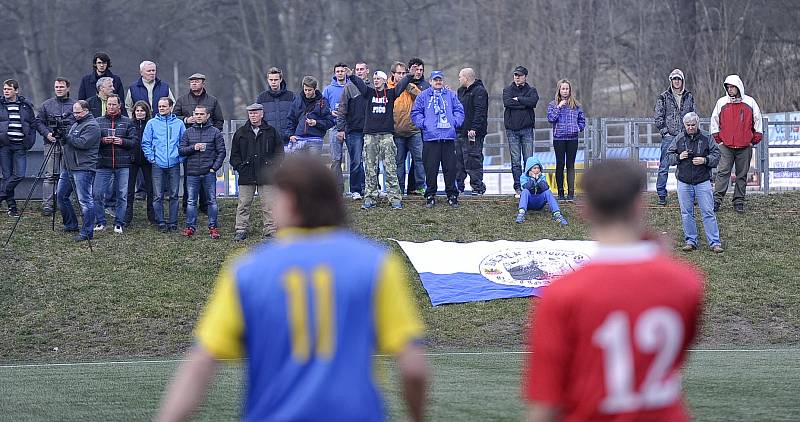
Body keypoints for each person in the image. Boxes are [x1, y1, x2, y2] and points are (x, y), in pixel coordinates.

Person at [157, 155, 428, 422]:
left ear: (290, 201)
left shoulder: (247, 270)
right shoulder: (376, 263)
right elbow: (413, 367)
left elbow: (201, 364)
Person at [522, 160, 704, 422]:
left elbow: (546, 406)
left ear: (586, 210)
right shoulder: (686, 282)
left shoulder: (561, 294)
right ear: (639, 204)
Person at [348, 69, 411, 210]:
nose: (375, 80)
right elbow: (360, 85)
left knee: (390, 168)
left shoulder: (390, 93)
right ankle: (370, 198)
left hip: (387, 135)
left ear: (384, 80)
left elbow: (400, 86)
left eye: (378, 78)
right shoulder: (369, 93)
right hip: (370, 135)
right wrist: (351, 75)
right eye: (374, 78)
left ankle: (394, 198)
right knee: (370, 168)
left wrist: (410, 75)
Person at [667, 112, 723, 253]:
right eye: (688, 125)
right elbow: (669, 157)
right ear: (684, 125)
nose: (691, 127)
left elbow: (717, 155)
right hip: (684, 181)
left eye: (693, 125)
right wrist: (679, 156)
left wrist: (705, 160)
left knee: (708, 212)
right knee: (686, 213)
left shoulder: (707, 137)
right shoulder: (679, 138)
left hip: (703, 180)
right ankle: (691, 241)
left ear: (698, 124)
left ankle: (715, 243)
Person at [229, 103, 284, 241]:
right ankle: (241, 229)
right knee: (243, 203)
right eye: (250, 113)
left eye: (255, 113)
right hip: (246, 174)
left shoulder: (271, 131)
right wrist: (240, 167)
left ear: (262, 114)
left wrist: (272, 167)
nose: (253, 115)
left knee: (268, 204)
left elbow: (279, 153)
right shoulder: (241, 132)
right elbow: (234, 155)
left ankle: (270, 230)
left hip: (266, 174)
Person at [411, 70, 464, 209]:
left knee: (450, 168)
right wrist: (425, 124)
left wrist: (455, 122)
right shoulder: (423, 96)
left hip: (448, 138)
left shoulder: (450, 95)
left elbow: (459, 110)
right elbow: (416, 113)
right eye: (435, 80)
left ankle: (452, 195)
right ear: (430, 81)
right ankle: (430, 195)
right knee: (430, 169)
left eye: (440, 79)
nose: (438, 82)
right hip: (430, 138)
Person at [173, 73, 225, 215]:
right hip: (189, 141)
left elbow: (219, 120)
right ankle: (187, 205)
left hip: (208, 143)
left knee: (207, 175)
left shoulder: (212, 101)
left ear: (203, 83)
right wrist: (185, 120)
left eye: (197, 81)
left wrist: (214, 134)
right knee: (189, 175)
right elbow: (174, 116)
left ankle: (206, 205)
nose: (194, 84)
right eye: (192, 82)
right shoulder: (182, 100)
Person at [710, 74, 763, 214]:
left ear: (738, 86)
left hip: (744, 147)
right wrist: (719, 140)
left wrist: (753, 140)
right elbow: (714, 121)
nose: (730, 89)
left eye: (732, 86)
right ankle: (716, 201)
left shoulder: (750, 102)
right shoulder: (721, 102)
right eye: (728, 87)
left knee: (742, 175)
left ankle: (739, 202)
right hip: (726, 146)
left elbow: (758, 121)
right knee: (722, 173)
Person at [178, 105, 226, 239]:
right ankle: (190, 227)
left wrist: (213, 168)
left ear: (208, 116)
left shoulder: (215, 132)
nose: (198, 116)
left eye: (201, 114)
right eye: (197, 114)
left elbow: (221, 152)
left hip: (208, 173)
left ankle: (213, 227)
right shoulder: (188, 132)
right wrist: (193, 147)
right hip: (192, 172)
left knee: (212, 201)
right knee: (191, 201)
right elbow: (181, 150)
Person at [92, 94, 137, 234]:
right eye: (109, 104)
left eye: (113, 104)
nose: (111, 107)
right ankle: (100, 221)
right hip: (103, 164)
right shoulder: (98, 121)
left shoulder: (127, 122)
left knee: (122, 195)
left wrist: (122, 142)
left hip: (123, 164)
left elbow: (134, 142)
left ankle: (119, 223)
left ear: (120, 105)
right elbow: (92, 141)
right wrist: (103, 141)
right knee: (97, 194)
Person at [57, 100, 100, 241]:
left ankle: (87, 232)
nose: (75, 115)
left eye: (78, 112)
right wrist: (62, 136)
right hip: (68, 166)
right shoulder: (76, 123)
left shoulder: (92, 126)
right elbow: (67, 142)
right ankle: (71, 224)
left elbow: (83, 143)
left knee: (85, 201)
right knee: (61, 196)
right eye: (74, 112)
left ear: (86, 111)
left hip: (83, 167)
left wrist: (67, 137)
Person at [141, 97, 186, 232]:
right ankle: (160, 222)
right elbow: (146, 143)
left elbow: (184, 142)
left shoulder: (178, 124)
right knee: (158, 195)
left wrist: (180, 158)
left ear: (171, 107)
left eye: (164, 106)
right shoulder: (151, 123)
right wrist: (151, 158)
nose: (161, 108)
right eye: (159, 106)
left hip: (174, 163)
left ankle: (173, 222)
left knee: (174, 195)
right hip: (157, 164)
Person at [654, 68, 696, 206]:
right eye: (674, 79)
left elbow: (693, 115)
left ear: (682, 80)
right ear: (671, 81)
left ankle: (689, 195)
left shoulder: (689, 96)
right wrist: (665, 132)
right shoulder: (663, 97)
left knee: (687, 165)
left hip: (685, 136)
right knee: (664, 166)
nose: (676, 81)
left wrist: (690, 132)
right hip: (669, 137)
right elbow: (658, 117)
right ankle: (661, 194)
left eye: (679, 79)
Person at [0, 79, 41, 217]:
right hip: (4, 145)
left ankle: (1, 195)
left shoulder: (25, 106)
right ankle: (12, 207)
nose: (6, 91)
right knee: (7, 177)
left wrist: (30, 140)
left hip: (20, 146)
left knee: (20, 175)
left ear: (16, 90)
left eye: (9, 89)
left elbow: (33, 124)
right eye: (4, 89)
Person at [36, 77, 76, 216]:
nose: (59, 89)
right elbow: (38, 122)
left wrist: (69, 134)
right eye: (57, 87)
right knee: (49, 175)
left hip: (68, 145)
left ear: (68, 88)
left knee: (67, 174)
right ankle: (47, 205)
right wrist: (47, 134)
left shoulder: (75, 105)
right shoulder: (46, 105)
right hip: (51, 143)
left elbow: (79, 122)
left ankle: (66, 202)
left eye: (61, 87)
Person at [335, 61, 371, 199]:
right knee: (356, 161)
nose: (360, 71)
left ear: (367, 70)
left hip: (370, 130)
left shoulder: (372, 87)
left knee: (370, 162)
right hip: (354, 130)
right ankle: (356, 189)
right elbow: (342, 109)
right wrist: (340, 128)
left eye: (362, 69)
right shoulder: (349, 88)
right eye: (357, 69)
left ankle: (370, 188)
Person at [546, 79, 586, 201]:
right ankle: (560, 193)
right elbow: (551, 118)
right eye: (563, 88)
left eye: (567, 89)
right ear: (559, 90)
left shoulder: (576, 105)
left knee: (570, 165)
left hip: (572, 138)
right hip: (559, 138)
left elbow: (582, 120)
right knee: (560, 165)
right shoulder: (552, 104)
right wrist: (559, 106)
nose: (565, 91)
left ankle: (571, 193)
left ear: (570, 90)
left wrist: (578, 128)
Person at [503, 66, 539, 198]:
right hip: (512, 130)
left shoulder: (531, 90)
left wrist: (518, 99)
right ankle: (518, 187)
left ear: (525, 76)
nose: (517, 77)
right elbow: (507, 103)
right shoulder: (507, 90)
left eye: (519, 75)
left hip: (527, 129)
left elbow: (533, 101)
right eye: (515, 75)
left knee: (529, 160)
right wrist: (525, 103)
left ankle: (529, 185)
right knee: (515, 161)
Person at [395, 58, 429, 196]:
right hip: (398, 130)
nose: (418, 72)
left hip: (416, 129)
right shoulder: (396, 85)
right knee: (399, 161)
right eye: (415, 69)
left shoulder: (425, 86)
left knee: (419, 160)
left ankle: (419, 187)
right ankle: (400, 189)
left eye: (421, 70)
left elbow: (426, 103)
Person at [455, 67, 488, 195]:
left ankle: (477, 187)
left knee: (474, 160)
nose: (459, 79)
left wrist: (474, 128)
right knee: (459, 161)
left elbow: (480, 111)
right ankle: (459, 186)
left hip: (474, 134)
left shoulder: (479, 91)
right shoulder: (461, 91)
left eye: (460, 77)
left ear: (466, 78)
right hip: (460, 132)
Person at [124, 100, 156, 227]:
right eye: (137, 110)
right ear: (133, 112)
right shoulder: (129, 124)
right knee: (130, 189)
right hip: (132, 160)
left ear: (146, 112)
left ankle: (152, 215)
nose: (139, 113)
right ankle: (127, 215)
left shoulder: (151, 124)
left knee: (150, 189)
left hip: (147, 160)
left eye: (142, 110)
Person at [285, 76, 334, 154]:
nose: (307, 92)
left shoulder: (323, 102)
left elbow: (330, 121)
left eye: (310, 90)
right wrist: (290, 135)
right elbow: (291, 119)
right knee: (297, 165)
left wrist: (316, 123)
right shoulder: (297, 101)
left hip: (315, 140)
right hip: (298, 139)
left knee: (313, 166)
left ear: (315, 89)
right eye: (305, 90)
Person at [514, 158, 567, 225]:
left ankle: (557, 215)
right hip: (529, 203)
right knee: (525, 191)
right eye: (534, 168)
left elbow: (545, 188)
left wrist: (538, 180)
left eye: (538, 168)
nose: (537, 170)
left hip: (539, 202)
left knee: (548, 192)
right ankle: (521, 214)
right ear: (529, 169)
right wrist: (532, 179)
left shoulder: (542, 176)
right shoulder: (523, 176)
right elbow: (526, 187)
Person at [324, 63, 350, 193]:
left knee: (356, 159)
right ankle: (337, 190)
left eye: (342, 71)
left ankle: (357, 189)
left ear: (346, 72)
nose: (340, 73)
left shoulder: (352, 87)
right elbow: (322, 106)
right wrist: (330, 112)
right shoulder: (328, 89)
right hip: (334, 126)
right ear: (335, 73)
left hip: (350, 127)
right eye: (337, 71)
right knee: (336, 159)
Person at [256, 67, 295, 146]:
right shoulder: (262, 98)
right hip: (269, 141)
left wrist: (292, 133)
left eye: (276, 80)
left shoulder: (291, 96)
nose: (273, 82)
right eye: (271, 80)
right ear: (268, 80)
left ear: (280, 80)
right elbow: (258, 119)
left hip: (289, 141)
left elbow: (297, 116)